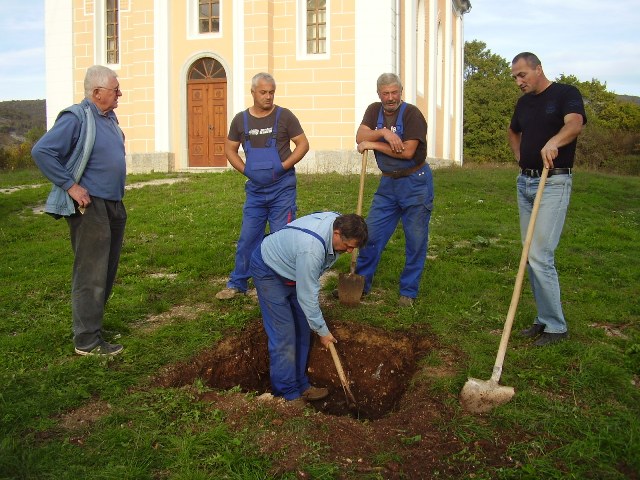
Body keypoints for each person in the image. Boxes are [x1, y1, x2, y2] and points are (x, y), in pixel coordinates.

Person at [32, 65, 127, 356]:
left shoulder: (108, 117)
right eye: (115, 89)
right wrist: (71, 186)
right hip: (90, 206)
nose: (119, 93)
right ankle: (86, 340)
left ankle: (93, 327)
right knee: (91, 273)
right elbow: (42, 151)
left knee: (107, 270)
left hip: (113, 204)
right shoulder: (76, 117)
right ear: (97, 92)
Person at [249, 212, 368, 408]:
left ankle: (302, 384)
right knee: (284, 333)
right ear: (336, 233)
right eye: (347, 246)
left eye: (353, 248)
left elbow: (307, 289)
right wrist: (323, 331)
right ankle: (288, 394)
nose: (348, 252)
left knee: (303, 328)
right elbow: (307, 296)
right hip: (269, 270)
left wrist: (316, 326)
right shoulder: (312, 250)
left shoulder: (339, 222)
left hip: (294, 269)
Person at [508, 52, 586, 347]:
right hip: (525, 182)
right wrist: (520, 154)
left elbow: (575, 124)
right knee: (530, 254)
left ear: (538, 69)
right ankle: (543, 318)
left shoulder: (566, 94)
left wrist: (554, 141)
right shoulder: (524, 103)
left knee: (541, 254)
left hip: (553, 182)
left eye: (523, 75)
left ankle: (557, 326)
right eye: (515, 76)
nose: (519, 81)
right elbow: (513, 131)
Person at [216, 72, 310, 300]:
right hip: (256, 191)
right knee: (248, 237)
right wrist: (246, 170)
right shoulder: (241, 120)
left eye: (271, 92)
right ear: (253, 93)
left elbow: (303, 144)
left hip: (282, 189)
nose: (268, 97)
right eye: (263, 92)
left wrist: (283, 167)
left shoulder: (285, 116)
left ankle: (283, 284)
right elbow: (229, 149)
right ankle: (238, 283)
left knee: (282, 236)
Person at [354, 73, 434, 307]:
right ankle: (361, 284)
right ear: (379, 94)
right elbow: (360, 136)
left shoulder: (412, 114)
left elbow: (408, 151)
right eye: (385, 93)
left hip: (415, 182)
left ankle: (408, 292)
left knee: (415, 240)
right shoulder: (373, 110)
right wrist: (384, 133)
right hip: (388, 184)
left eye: (394, 92)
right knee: (370, 235)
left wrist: (373, 143)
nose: (390, 98)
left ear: (401, 91)